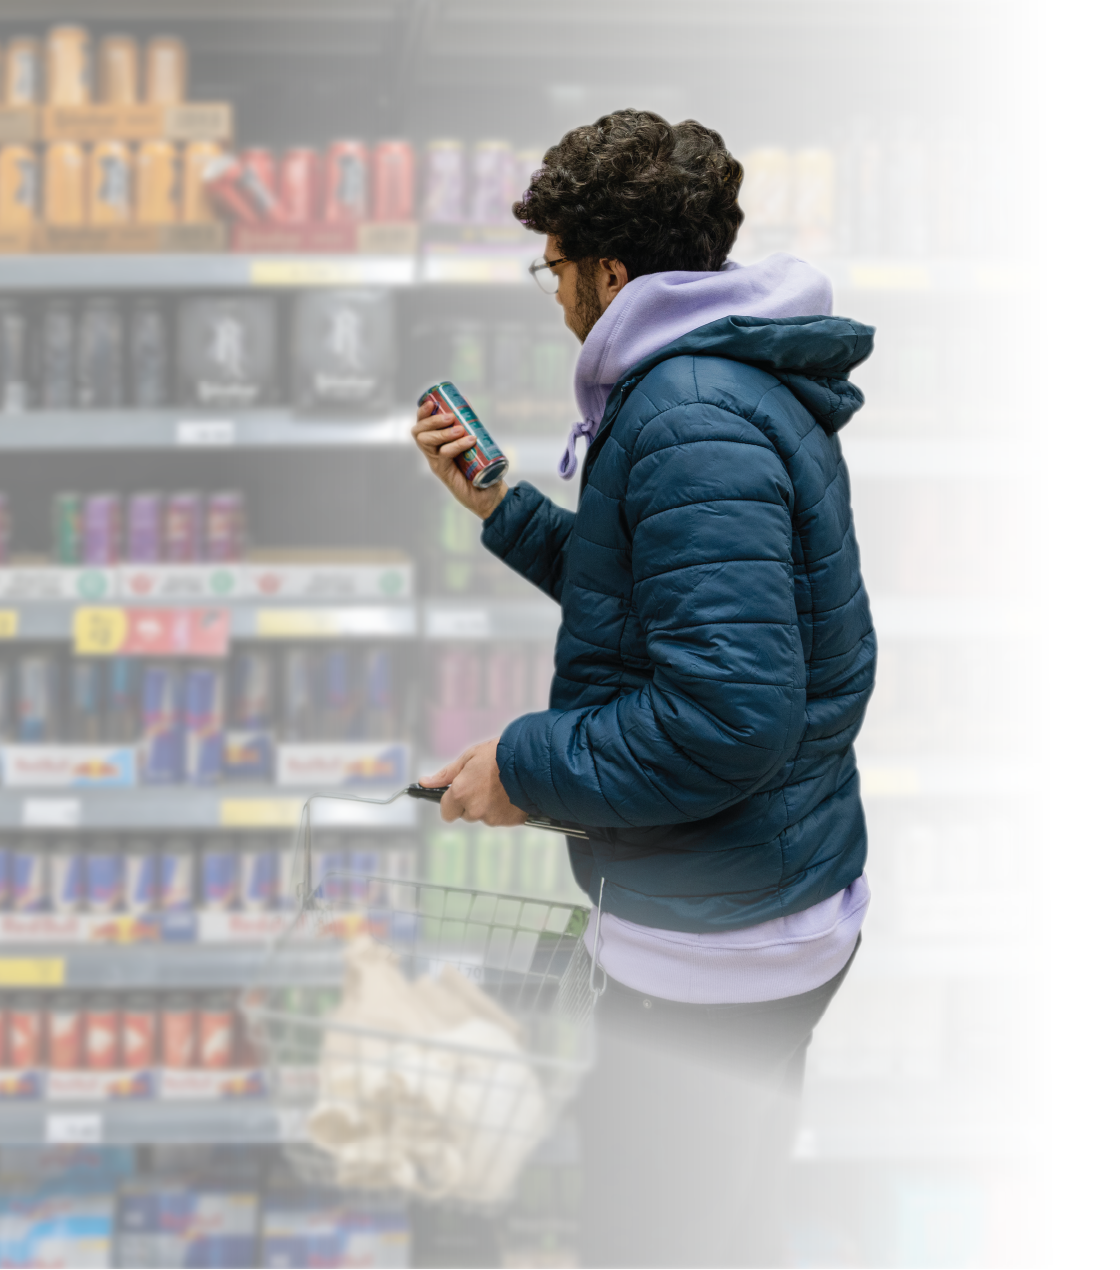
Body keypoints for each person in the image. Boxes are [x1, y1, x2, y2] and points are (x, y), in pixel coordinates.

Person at [414, 109, 877, 1270]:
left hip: (714, 947)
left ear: (610, 272)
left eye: (554, 265)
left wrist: (519, 768)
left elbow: (726, 715)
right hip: (764, 902)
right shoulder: (717, 383)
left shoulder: (683, 417)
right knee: (735, 1224)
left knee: (650, 1236)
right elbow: (648, 597)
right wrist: (503, 508)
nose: (549, 288)